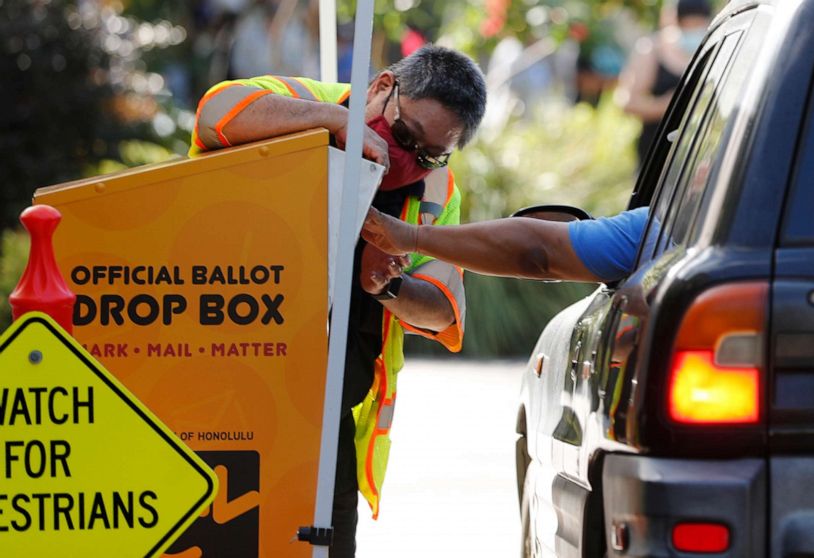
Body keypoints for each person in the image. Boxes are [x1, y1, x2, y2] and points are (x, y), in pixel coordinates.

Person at [191, 45, 487, 557]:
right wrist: (334, 122)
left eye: (428, 155)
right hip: (219, 404)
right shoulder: (309, 103)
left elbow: (443, 308)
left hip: (325, 428)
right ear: (380, 89)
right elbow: (216, 114)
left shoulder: (435, 190)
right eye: (403, 136)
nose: (404, 163)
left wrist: (387, 284)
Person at [362, 206, 650, 283]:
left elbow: (537, 249)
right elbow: (536, 248)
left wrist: (414, 238)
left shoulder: (658, 226)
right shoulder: (666, 225)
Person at [615, 0, 712, 167]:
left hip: (699, 154)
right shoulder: (652, 50)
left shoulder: (714, 46)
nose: (693, 31)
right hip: (658, 151)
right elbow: (627, 102)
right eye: (687, 26)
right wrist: (667, 105)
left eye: (698, 25)